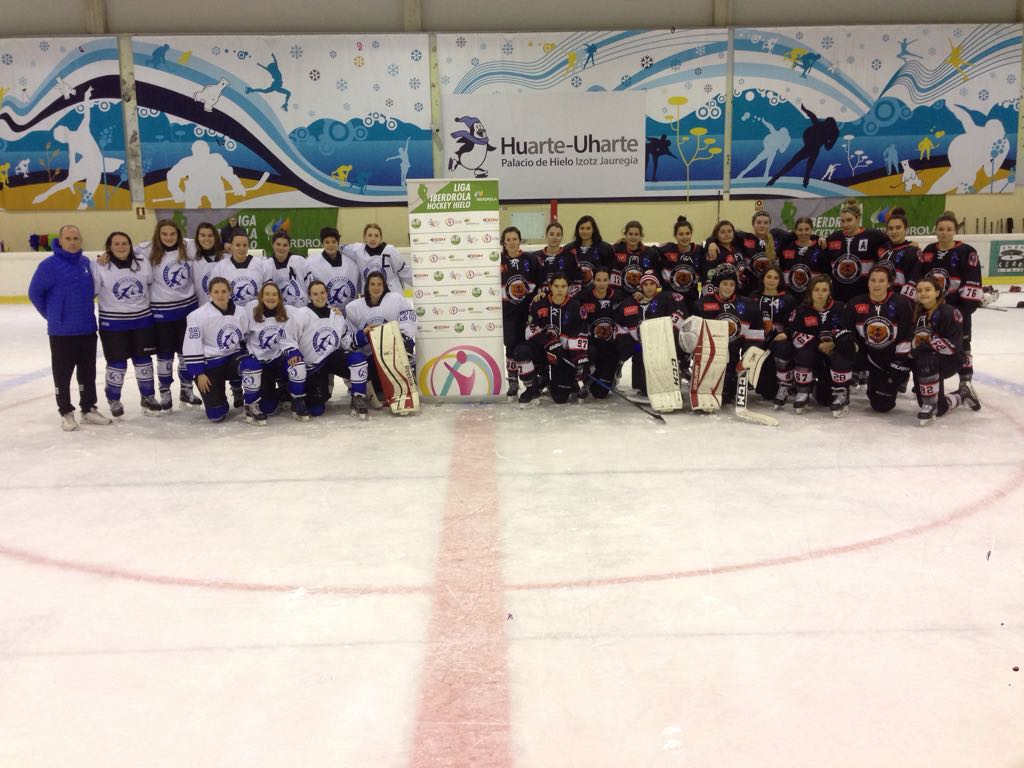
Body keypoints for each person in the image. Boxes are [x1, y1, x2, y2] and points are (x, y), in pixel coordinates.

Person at [28, 224, 112, 430]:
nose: (72, 242)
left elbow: (90, 291)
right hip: (62, 332)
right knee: (63, 374)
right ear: (60, 240)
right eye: (68, 239)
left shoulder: (85, 263)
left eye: (76, 238)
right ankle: (65, 411)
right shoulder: (49, 266)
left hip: (86, 328)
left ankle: (88, 408)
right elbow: (34, 293)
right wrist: (53, 316)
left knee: (87, 372)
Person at [91, 231, 161, 418]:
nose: (121, 247)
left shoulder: (142, 263)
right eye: (116, 244)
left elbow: (148, 282)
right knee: (117, 363)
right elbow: (93, 291)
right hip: (113, 324)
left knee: (143, 360)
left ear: (130, 245)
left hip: (142, 320)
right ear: (109, 247)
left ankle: (148, 396)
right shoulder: (100, 266)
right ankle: (113, 398)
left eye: (124, 243)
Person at [831, 264, 914, 417]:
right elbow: (840, 328)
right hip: (864, 354)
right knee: (839, 353)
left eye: (881, 281)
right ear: (868, 282)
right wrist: (845, 338)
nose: (876, 284)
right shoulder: (855, 303)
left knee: (882, 405)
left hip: (886, 361)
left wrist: (899, 364)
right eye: (873, 280)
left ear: (889, 283)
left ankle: (882, 382)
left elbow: (906, 335)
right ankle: (841, 392)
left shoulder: (901, 303)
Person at [138, 218, 200, 410]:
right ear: (158, 234)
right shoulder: (147, 250)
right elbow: (120, 251)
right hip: (162, 314)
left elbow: (211, 244)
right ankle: (165, 391)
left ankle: (186, 389)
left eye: (172, 234)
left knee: (186, 354)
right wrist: (104, 256)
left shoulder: (188, 246)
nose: (168, 237)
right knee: (165, 356)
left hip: (187, 310)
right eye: (164, 234)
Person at [919, 210, 983, 395]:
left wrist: (962, 312)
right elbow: (922, 280)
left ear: (955, 230)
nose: (944, 232)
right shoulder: (929, 251)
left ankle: (965, 381)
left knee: (963, 344)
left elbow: (972, 284)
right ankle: (929, 377)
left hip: (957, 310)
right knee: (933, 341)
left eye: (949, 229)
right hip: (932, 309)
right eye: (941, 229)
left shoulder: (967, 252)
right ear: (936, 230)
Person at [291, 280, 369, 418]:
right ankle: (291, 395)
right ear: (309, 296)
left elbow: (344, 341)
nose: (320, 296)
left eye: (322, 293)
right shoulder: (301, 314)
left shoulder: (336, 314)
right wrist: (293, 351)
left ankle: (358, 398)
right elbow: (289, 337)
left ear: (327, 293)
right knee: (316, 410)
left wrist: (363, 335)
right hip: (313, 367)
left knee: (358, 360)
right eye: (315, 294)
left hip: (333, 357)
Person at [911, 276, 981, 425]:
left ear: (937, 292)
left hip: (951, 359)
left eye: (928, 290)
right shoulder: (917, 313)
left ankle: (930, 406)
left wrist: (926, 345)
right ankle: (963, 394)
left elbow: (952, 346)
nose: (923, 293)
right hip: (928, 360)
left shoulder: (949, 312)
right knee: (941, 408)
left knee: (926, 360)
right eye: (919, 290)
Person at [344, 271, 418, 410]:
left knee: (408, 346)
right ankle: (364, 388)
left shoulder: (396, 300)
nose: (376, 287)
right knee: (358, 362)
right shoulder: (354, 308)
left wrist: (395, 335)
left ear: (384, 286)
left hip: (393, 353)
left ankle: (407, 382)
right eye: (372, 284)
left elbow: (410, 321)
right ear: (367, 286)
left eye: (379, 284)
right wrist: (363, 336)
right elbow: (347, 340)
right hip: (370, 356)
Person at [238, 282, 309, 424]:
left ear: (279, 297)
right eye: (267, 294)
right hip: (262, 364)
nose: (271, 297)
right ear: (261, 297)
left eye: (275, 294)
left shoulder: (289, 311)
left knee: (298, 364)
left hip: (280, 360)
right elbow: (241, 333)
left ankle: (297, 400)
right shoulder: (251, 312)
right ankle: (279, 393)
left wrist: (333, 311)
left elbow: (311, 314)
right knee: (268, 409)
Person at [514, 273, 589, 406]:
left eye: (563, 286)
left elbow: (579, 334)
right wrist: (549, 343)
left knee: (560, 398)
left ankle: (570, 380)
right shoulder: (538, 303)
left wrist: (578, 359)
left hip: (562, 354)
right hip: (543, 350)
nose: (559, 289)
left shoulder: (576, 307)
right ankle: (531, 388)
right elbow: (529, 329)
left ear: (568, 288)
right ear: (550, 287)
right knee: (521, 351)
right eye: (556, 286)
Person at [692, 264, 763, 404]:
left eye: (732, 284)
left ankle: (733, 379)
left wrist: (747, 361)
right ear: (717, 284)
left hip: (733, 360)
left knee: (726, 395)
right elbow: (693, 334)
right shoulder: (702, 304)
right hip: (709, 359)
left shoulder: (748, 305)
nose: (728, 288)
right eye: (725, 284)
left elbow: (755, 338)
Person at [182, 276, 249, 423]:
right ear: (209, 294)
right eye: (216, 291)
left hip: (233, 358)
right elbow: (192, 345)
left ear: (230, 292)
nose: (220, 295)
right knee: (216, 415)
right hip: (210, 364)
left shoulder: (241, 312)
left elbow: (245, 338)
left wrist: (249, 358)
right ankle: (219, 401)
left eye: (224, 291)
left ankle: (246, 397)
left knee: (252, 367)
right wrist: (198, 372)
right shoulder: (197, 316)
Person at [614, 272, 688, 402]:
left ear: (657, 285)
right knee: (638, 352)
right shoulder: (632, 302)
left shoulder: (666, 298)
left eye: (652, 284)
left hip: (664, 344)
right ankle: (640, 387)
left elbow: (680, 316)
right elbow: (619, 323)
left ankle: (671, 381)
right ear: (641, 287)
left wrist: (668, 334)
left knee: (665, 357)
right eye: (645, 284)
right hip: (641, 344)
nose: (649, 287)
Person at [788, 275, 843, 413]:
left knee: (825, 401)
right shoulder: (801, 311)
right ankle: (802, 390)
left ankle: (838, 391)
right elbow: (793, 333)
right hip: (810, 354)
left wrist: (833, 343)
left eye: (824, 290)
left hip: (830, 356)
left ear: (830, 291)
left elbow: (846, 330)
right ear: (810, 292)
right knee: (803, 353)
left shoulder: (840, 308)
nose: (820, 293)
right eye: (816, 289)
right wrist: (817, 343)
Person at [500, 226, 540, 398]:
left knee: (527, 345)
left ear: (519, 240)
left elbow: (539, 283)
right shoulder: (498, 261)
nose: (511, 242)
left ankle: (533, 379)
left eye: (514, 239)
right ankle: (513, 380)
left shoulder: (530, 259)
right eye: (507, 239)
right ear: (503, 242)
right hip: (508, 312)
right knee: (510, 347)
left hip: (527, 312)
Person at [576, 265, 625, 398]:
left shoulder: (618, 296)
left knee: (600, 393)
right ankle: (588, 379)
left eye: (605, 280)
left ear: (609, 280)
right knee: (590, 351)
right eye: (598, 280)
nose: (602, 283)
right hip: (592, 344)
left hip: (610, 347)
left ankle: (615, 367)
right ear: (593, 280)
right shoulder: (584, 296)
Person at [824, 200, 887, 304]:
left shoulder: (874, 236)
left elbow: (895, 241)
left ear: (858, 219)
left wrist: (910, 243)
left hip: (864, 297)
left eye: (849, 220)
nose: (845, 224)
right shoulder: (833, 238)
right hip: (839, 298)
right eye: (842, 221)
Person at [754, 265, 798, 405]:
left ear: (780, 280)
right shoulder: (754, 298)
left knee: (783, 348)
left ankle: (786, 383)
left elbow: (795, 322)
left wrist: (786, 333)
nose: (772, 280)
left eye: (776, 277)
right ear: (762, 279)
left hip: (780, 340)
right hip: (759, 341)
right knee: (766, 392)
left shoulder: (789, 299)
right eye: (768, 277)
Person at [345, 223, 412, 296]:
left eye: (376, 236)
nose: (373, 239)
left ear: (381, 238)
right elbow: (336, 248)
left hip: (391, 294)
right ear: (364, 237)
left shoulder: (390, 251)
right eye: (369, 235)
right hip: (368, 296)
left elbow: (404, 272)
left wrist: (421, 284)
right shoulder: (357, 250)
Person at [212, 229, 273, 307]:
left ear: (248, 246)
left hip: (256, 314)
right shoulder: (220, 267)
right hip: (231, 316)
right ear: (230, 246)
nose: (241, 249)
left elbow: (268, 292)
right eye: (237, 245)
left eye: (245, 245)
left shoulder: (261, 264)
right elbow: (214, 296)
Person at [306, 226, 360, 312]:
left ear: (338, 243)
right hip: (325, 315)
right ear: (322, 244)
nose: (331, 245)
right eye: (327, 242)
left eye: (334, 242)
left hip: (350, 315)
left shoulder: (352, 265)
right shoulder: (311, 264)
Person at [658, 216, 704, 310]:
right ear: (676, 235)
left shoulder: (700, 251)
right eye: (681, 234)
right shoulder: (666, 249)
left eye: (687, 233)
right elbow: (646, 251)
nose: (684, 237)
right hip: (669, 299)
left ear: (691, 234)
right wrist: (626, 242)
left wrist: (712, 243)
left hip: (691, 300)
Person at [877, 207, 921, 301]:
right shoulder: (882, 248)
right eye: (891, 228)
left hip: (900, 304)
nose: (894, 231)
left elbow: (914, 281)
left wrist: (902, 304)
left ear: (905, 230)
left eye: (898, 228)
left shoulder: (913, 252)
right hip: (880, 301)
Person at [778, 216, 826, 301]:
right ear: (795, 231)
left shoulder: (819, 247)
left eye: (807, 229)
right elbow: (782, 269)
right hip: (790, 297)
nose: (803, 232)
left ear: (812, 229)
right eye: (800, 230)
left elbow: (825, 271)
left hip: (812, 298)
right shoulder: (787, 248)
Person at [562, 215, 613, 291]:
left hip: (596, 293)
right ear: (577, 230)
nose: (585, 231)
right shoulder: (568, 249)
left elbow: (610, 272)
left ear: (594, 230)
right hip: (574, 294)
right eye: (582, 228)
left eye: (588, 228)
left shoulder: (605, 248)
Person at [609, 220, 660, 296]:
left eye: (636, 234)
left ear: (641, 236)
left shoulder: (650, 253)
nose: (633, 237)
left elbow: (655, 276)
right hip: (619, 295)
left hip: (642, 295)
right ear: (625, 235)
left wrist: (643, 292)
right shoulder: (616, 249)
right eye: (630, 234)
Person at [533, 221, 583, 295]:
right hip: (542, 302)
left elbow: (577, 283)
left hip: (563, 302)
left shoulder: (570, 257)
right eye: (551, 234)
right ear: (546, 235)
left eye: (558, 235)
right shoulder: (535, 257)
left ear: (562, 237)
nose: (554, 237)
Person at [701, 220, 746, 295]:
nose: (727, 234)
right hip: (722, 295)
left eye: (729, 231)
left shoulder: (738, 249)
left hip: (738, 293)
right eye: (722, 232)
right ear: (716, 234)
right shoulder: (714, 251)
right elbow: (708, 276)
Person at [268, 230, 310, 307]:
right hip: (279, 313)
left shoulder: (299, 261)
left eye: (285, 245)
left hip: (302, 311)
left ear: (289, 246)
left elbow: (310, 286)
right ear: (272, 245)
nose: (281, 248)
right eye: (278, 244)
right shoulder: (266, 265)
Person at [192, 222, 224, 305]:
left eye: (210, 235)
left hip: (225, 310)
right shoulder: (192, 259)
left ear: (216, 238)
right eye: (202, 235)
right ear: (197, 238)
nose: (206, 239)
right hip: (202, 310)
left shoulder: (227, 257)